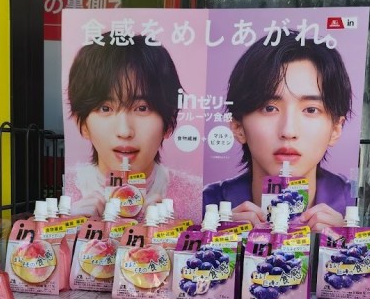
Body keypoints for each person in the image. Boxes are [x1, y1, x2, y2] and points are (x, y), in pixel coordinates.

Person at [203, 35, 354, 230]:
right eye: (269, 108)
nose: (288, 131)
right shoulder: (205, 203)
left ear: (336, 129)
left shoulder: (359, 202)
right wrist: (218, 242)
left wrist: (347, 248)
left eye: (310, 109)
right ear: (238, 126)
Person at [65, 36, 202, 217]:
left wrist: (177, 230)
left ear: (168, 123)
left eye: (142, 108)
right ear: (81, 124)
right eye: (105, 108)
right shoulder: (64, 191)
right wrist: (70, 229)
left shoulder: (196, 196)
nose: (124, 131)